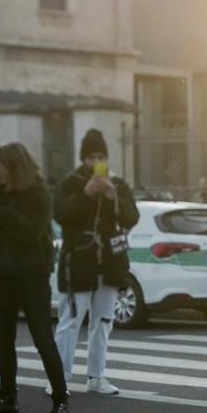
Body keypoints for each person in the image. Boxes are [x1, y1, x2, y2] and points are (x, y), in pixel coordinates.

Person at [0, 143, 69, 413]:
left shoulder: (39, 193)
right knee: (3, 340)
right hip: (2, 274)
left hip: (32, 277)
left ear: (14, 167)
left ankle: (61, 399)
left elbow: (30, 232)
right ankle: (7, 399)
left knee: (43, 339)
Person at [53, 129, 139, 396]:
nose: (96, 162)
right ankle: (60, 377)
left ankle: (97, 376)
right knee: (72, 319)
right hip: (79, 260)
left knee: (103, 320)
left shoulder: (118, 184)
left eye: (101, 156)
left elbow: (131, 218)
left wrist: (114, 197)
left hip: (109, 262)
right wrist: (86, 193)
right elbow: (61, 214)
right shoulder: (71, 182)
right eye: (91, 157)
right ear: (83, 158)